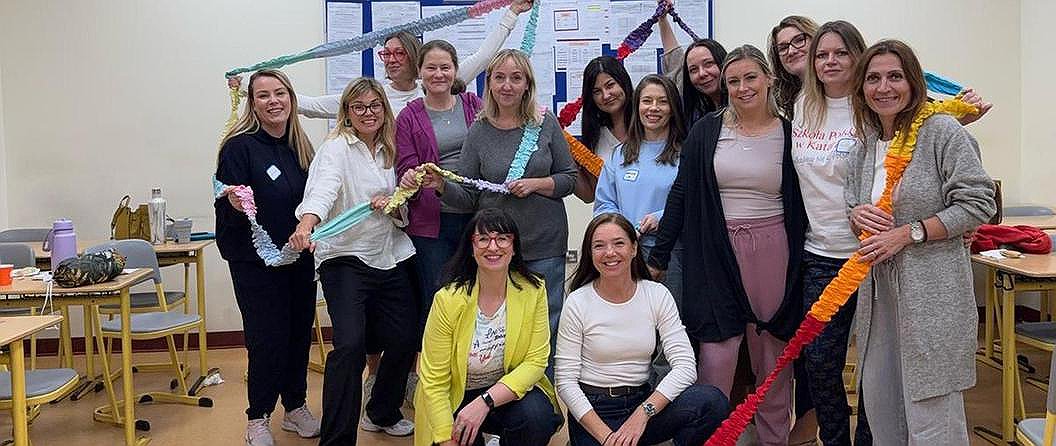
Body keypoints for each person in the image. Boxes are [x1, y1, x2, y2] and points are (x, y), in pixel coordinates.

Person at [646, 45, 807, 446]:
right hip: (715, 252)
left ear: (769, 79)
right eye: (733, 81)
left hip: (773, 249)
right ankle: (712, 438)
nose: (742, 87)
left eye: (751, 77)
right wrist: (658, 256)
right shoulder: (707, 131)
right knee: (716, 355)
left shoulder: (791, 133)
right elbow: (681, 193)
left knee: (772, 355)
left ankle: (773, 440)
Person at [846, 39, 996, 445]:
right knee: (883, 410)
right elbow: (853, 205)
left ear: (913, 82)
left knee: (933, 422)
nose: (884, 87)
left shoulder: (942, 132)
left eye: (895, 76)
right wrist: (856, 215)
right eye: (873, 78)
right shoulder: (865, 144)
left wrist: (908, 233)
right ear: (861, 87)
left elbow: (979, 203)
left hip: (933, 296)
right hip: (879, 298)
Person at [421, 48, 577, 377]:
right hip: (496, 248)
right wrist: (441, 186)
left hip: (543, 242)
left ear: (527, 84)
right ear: (489, 83)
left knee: (545, 324)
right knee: (500, 329)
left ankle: (542, 397)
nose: (507, 85)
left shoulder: (544, 122)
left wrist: (536, 184)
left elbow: (569, 178)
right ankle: (503, 398)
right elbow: (468, 196)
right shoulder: (479, 130)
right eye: (500, 78)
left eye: (516, 78)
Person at [289, 77, 418, 445]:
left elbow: (403, 204)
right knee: (349, 347)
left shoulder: (392, 149)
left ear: (384, 109)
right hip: (345, 257)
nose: (368, 113)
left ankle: (381, 411)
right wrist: (306, 224)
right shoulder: (336, 149)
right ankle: (337, 439)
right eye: (358, 107)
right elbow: (323, 190)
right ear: (346, 112)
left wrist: (394, 203)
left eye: (374, 105)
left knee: (406, 337)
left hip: (390, 253)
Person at [556, 213, 729, 446]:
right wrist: (608, 438)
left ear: (634, 248)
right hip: (594, 411)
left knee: (711, 402)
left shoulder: (656, 294)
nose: (610, 252)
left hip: (642, 403)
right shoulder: (578, 302)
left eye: (619, 243)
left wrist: (642, 414)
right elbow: (566, 382)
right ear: (590, 253)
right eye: (599, 246)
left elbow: (686, 367)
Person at [215, 69, 321, 446]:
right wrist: (233, 203)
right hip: (255, 263)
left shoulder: (301, 148)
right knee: (266, 339)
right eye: (263, 95)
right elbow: (225, 203)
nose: (273, 101)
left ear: (291, 98)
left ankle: (295, 406)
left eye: (280, 93)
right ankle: (258, 416)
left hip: (299, 258)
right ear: (253, 103)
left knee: (298, 334)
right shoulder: (238, 147)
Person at [415, 208, 563, 446]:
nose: (493, 247)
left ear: (514, 247)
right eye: (483, 239)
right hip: (455, 397)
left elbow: (536, 362)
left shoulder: (533, 290)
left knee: (537, 418)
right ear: (471, 248)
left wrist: (485, 402)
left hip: (503, 392)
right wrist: (444, 437)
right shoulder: (447, 299)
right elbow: (434, 380)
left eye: (502, 238)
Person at [296, 0, 535, 119]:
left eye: (399, 53)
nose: (391, 60)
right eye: (386, 53)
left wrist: (513, 12)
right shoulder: (374, 97)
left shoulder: (438, 83)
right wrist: (276, 94)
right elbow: (314, 107)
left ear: (414, 57)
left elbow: (483, 56)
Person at [396, 39, 485, 355]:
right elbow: (404, 165)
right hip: (432, 224)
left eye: (445, 67)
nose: (438, 74)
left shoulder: (474, 105)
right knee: (438, 297)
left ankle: (474, 366)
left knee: (477, 295)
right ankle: (434, 370)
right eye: (431, 67)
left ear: (455, 70)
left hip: (476, 217)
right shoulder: (409, 116)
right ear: (419, 72)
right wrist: (415, 176)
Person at [594, 74, 687, 310]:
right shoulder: (620, 154)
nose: (653, 108)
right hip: (624, 253)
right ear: (637, 107)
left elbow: (693, 202)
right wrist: (622, 231)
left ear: (673, 108)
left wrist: (661, 217)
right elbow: (604, 204)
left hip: (670, 253)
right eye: (647, 101)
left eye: (662, 101)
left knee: (668, 321)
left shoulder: (685, 153)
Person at [574, 56, 635, 202]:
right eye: (597, 92)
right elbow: (590, 195)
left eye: (610, 85)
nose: (606, 95)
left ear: (623, 81)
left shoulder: (648, 126)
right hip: (610, 215)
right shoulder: (595, 137)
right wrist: (567, 159)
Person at [656, 5, 727, 125]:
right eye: (693, 70)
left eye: (708, 64)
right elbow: (674, 60)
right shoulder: (694, 107)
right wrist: (662, 19)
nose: (702, 73)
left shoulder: (742, 100)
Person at [768, 16, 820, 119]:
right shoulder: (797, 103)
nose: (791, 51)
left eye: (799, 40)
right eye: (783, 48)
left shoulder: (841, 93)